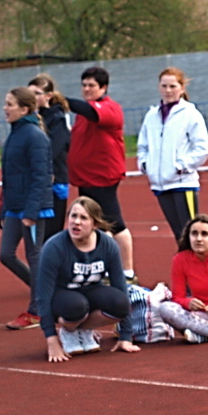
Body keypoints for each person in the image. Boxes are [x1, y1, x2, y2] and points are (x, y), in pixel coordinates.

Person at [36, 197, 140, 362]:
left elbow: (120, 286)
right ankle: (68, 331)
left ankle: (83, 329)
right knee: (76, 305)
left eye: (83, 218)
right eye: (73, 216)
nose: (76, 222)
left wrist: (125, 336)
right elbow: (42, 295)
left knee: (121, 303)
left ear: (95, 224)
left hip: (90, 292)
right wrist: (51, 340)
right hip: (62, 298)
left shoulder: (107, 245)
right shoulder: (54, 247)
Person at [66, 66, 137, 283]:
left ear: (103, 88)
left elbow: (91, 112)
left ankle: (127, 271)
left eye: (91, 85)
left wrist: (63, 101)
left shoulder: (109, 108)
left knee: (115, 224)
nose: (86, 89)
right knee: (95, 224)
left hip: (103, 178)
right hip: (86, 178)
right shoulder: (82, 115)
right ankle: (105, 268)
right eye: (84, 85)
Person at [0, 86, 53, 330]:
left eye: (9, 104)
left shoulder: (34, 136)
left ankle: (37, 311)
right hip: (14, 206)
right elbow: (12, 175)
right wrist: (4, 206)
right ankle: (45, 292)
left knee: (34, 255)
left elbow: (42, 177)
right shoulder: (15, 133)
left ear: (24, 109)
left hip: (33, 208)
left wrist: (31, 213)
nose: (5, 108)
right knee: (6, 254)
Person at [137, 67, 208, 242]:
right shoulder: (151, 116)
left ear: (182, 88)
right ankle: (184, 261)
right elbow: (143, 146)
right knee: (179, 234)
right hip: (160, 186)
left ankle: (197, 261)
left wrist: (181, 166)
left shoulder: (190, 114)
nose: (168, 91)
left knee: (192, 234)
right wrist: (146, 164)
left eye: (172, 86)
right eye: (164, 86)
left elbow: (202, 147)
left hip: (183, 184)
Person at [158, 215, 208, 343]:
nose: (198, 239)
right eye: (194, 234)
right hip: (200, 315)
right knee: (165, 308)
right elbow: (177, 297)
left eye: (204, 234)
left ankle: (201, 334)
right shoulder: (180, 259)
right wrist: (188, 303)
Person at [28, 73, 71, 241]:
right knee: (35, 236)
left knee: (51, 234)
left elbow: (53, 150)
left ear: (48, 96)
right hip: (36, 182)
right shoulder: (30, 119)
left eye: (36, 93)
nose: (32, 97)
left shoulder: (57, 119)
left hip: (55, 182)